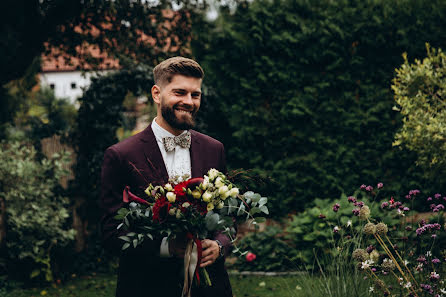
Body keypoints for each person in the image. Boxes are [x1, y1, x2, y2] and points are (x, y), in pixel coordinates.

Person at [100, 57, 233, 297]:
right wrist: (167, 247)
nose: (189, 102)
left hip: (210, 287)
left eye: (196, 94)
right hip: (146, 286)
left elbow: (226, 216)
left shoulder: (215, 149)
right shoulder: (121, 155)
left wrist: (220, 245)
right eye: (180, 93)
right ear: (156, 93)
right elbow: (111, 233)